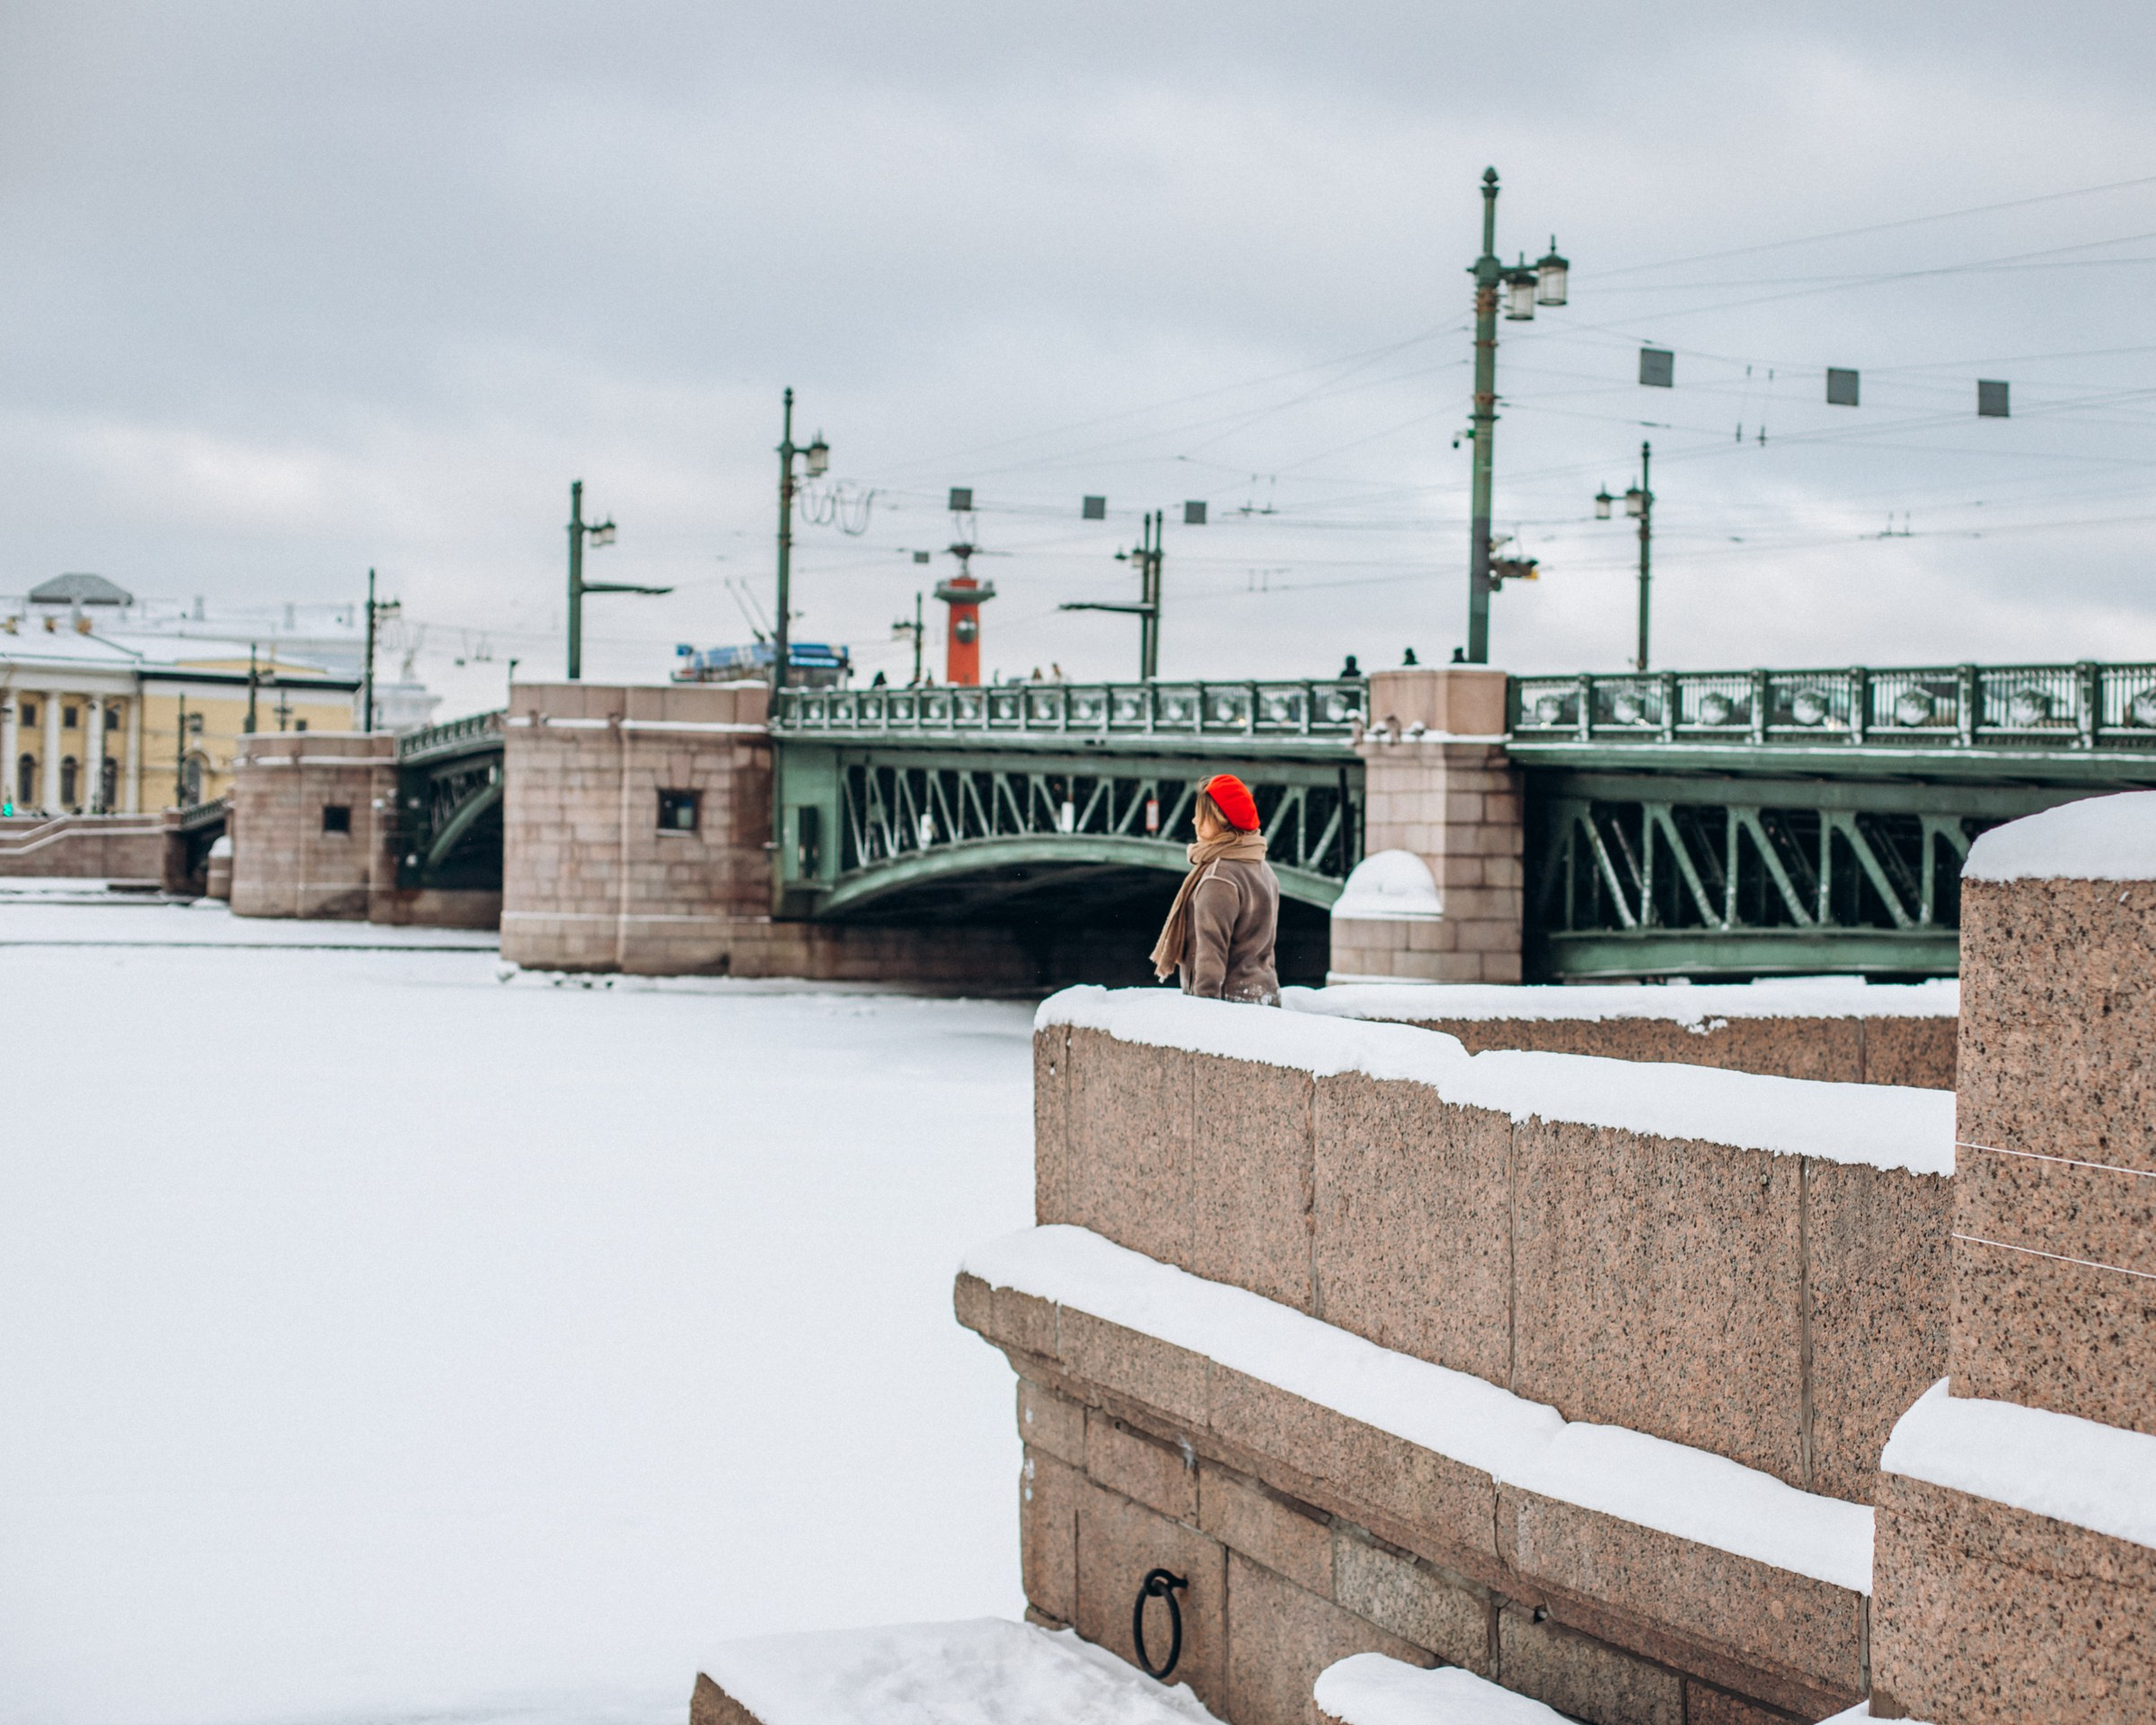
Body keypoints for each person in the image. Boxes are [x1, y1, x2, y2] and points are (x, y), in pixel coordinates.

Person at [1150, 774, 1280, 1004]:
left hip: (1229, 1006)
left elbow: (1210, 955)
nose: (1194, 821)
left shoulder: (1218, 878)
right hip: (1262, 996)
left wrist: (1204, 1009)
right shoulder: (1262, 868)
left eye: (1201, 815)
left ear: (1221, 820)